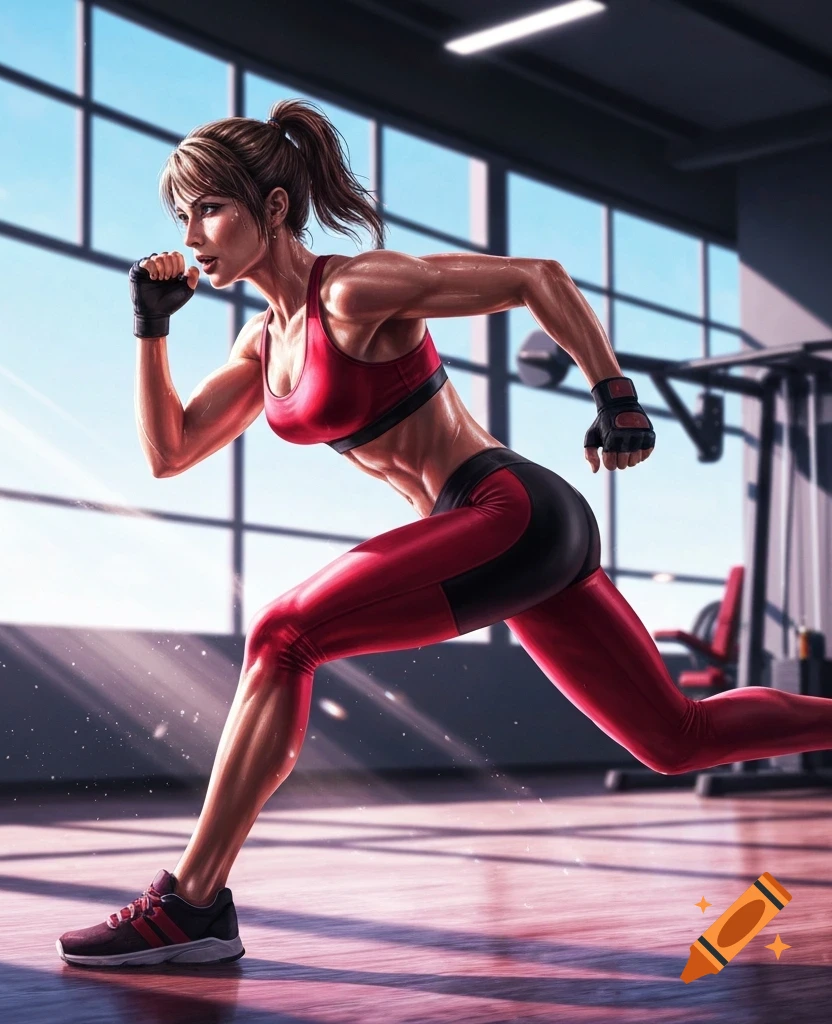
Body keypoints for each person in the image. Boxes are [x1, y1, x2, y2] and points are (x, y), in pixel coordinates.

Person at [57, 101, 832, 968]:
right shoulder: (258, 342)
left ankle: (192, 905)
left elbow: (536, 275)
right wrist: (152, 326)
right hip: (499, 538)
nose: (192, 234)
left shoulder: (352, 290)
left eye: (210, 208)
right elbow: (170, 453)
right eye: (181, 215)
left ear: (274, 210)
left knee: (283, 633)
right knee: (677, 739)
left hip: (509, 510)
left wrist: (615, 393)